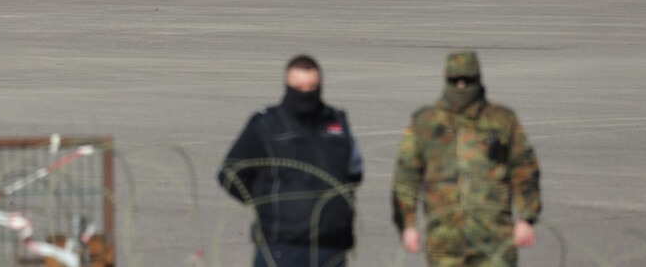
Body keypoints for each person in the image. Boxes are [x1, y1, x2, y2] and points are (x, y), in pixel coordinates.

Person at [392, 50, 540, 266]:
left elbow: (524, 168)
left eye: (467, 80)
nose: (461, 86)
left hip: (494, 237)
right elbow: (406, 176)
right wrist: (408, 224)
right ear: (446, 80)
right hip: (445, 241)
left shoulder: (501, 120)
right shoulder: (426, 122)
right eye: (455, 80)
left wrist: (527, 218)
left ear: (478, 79)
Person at [218, 55, 363, 267]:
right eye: (299, 88)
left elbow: (355, 172)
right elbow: (230, 173)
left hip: (331, 246)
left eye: (312, 87)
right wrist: (265, 203)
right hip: (282, 246)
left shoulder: (337, 124)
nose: (306, 94)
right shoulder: (267, 125)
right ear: (287, 86)